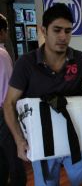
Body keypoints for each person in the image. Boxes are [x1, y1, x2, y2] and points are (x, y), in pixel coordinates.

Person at [3, 3, 82, 186]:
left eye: (68, 31)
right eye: (57, 30)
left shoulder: (80, 59)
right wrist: (19, 140)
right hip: (41, 142)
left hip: (76, 139)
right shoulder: (26, 63)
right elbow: (9, 103)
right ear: (43, 30)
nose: (63, 37)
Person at [0, 14, 27, 186]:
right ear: (2, 32)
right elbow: (12, 89)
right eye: (7, 30)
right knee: (14, 158)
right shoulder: (2, 54)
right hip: (4, 114)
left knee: (1, 160)